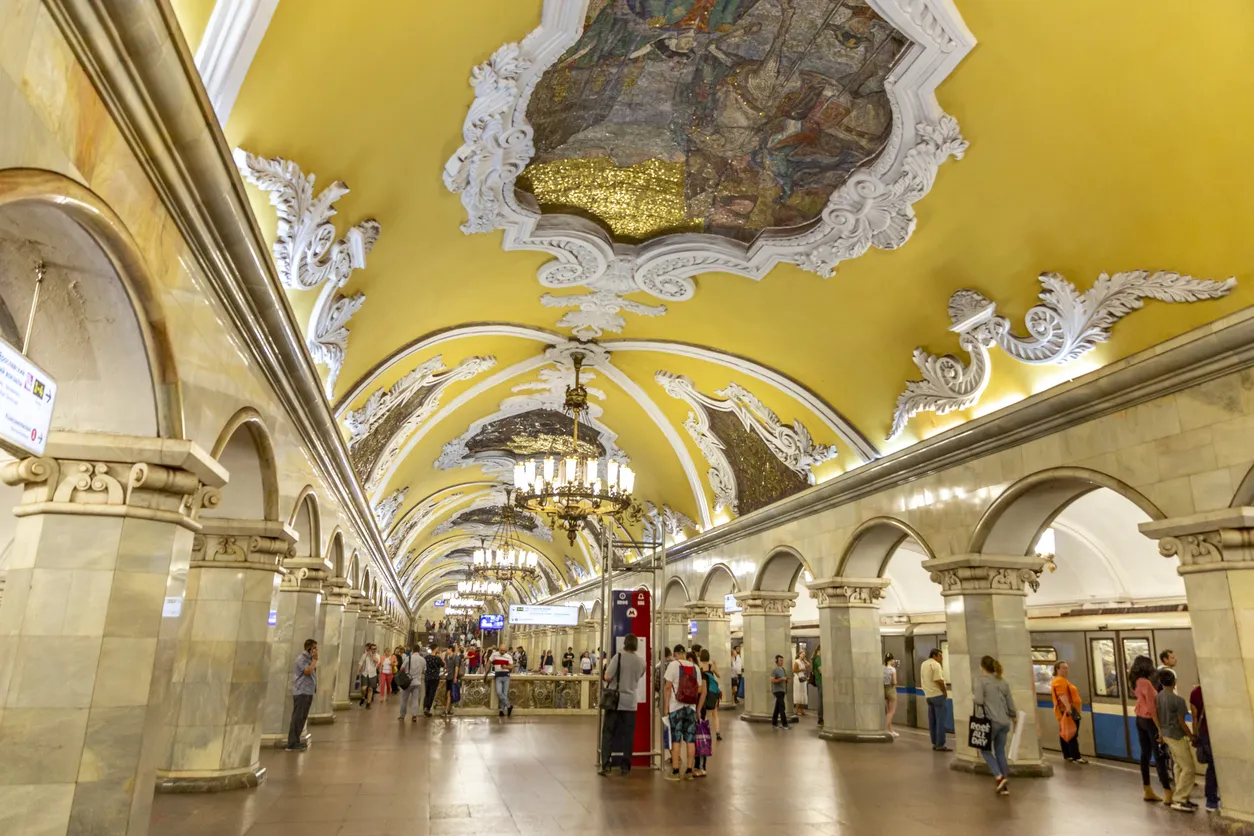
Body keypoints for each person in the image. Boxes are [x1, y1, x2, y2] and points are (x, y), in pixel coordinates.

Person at [599, 634, 647, 777]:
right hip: (631, 703)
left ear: (625, 644)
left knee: (608, 733)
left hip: (615, 701)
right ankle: (625, 766)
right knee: (628, 735)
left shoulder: (617, 657)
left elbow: (607, 676)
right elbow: (639, 676)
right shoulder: (641, 662)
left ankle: (606, 765)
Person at [1129, 655, 1172, 803]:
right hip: (1150, 721)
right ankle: (1168, 792)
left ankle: (1147, 789)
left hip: (1139, 719)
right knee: (1159, 756)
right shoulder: (1146, 683)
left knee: (1145, 755)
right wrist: (1160, 728)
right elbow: (1153, 708)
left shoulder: (1134, 681)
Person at [972, 655, 1016, 796]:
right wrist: (1013, 716)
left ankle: (999, 776)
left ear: (982, 666)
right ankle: (1004, 786)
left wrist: (973, 696)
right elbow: (1010, 702)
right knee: (1000, 752)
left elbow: (978, 700)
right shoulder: (1002, 681)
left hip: (990, 721)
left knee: (984, 750)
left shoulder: (981, 681)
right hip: (1004, 721)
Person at [1157, 670, 1197, 812]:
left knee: (1179, 765)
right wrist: (1192, 736)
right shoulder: (1178, 700)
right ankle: (1179, 799)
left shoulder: (1159, 697)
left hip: (1167, 735)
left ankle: (1182, 796)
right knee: (1189, 767)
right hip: (1177, 736)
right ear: (1174, 682)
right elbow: (1181, 722)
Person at [663, 645, 704, 780]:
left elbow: (668, 687)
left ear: (675, 654)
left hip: (676, 708)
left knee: (676, 739)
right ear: (685, 654)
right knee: (690, 739)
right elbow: (699, 689)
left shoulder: (673, 665)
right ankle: (689, 771)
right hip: (690, 708)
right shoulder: (695, 667)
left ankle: (675, 772)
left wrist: (666, 707)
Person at [1189, 681, 1219, 813]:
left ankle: (1211, 799)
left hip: (1204, 733)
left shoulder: (1195, 693)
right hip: (1217, 732)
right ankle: (1212, 800)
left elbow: (1194, 717)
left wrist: (1195, 735)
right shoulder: (1217, 690)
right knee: (1215, 766)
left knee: (1212, 766)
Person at [1050, 660, 1087, 764]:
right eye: (1064, 668)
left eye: (1067, 668)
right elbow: (1062, 695)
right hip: (1068, 711)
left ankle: (1068, 755)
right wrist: (1068, 709)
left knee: (1065, 732)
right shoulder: (1059, 681)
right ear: (1057, 669)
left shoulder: (1061, 680)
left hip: (1065, 711)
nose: (1066, 670)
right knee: (1072, 733)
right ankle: (1076, 756)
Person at [287, 638, 317, 751]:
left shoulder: (309, 659)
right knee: (297, 717)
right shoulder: (301, 659)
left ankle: (296, 741)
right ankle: (292, 743)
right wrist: (314, 661)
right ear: (309, 648)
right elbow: (308, 672)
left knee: (302, 718)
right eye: (315, 648)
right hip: (301, 692)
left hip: (308, 691)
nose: (316, 651)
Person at [921, 648, 948, 751]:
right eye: (940, 656)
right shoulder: (935, 665)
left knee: (932, 721)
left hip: (928, 696)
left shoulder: (924, 664)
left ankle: (934, 742)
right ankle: (940, 744)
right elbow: (938, 680)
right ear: (934, 656)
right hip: (938, 695)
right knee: (941, 720)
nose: (942, 658)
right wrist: (944, 692)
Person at [397, 646, 425, 723]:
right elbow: (424, 670)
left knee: (404, 699)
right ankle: (414, 716)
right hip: (417, 682)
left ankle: (402, 715)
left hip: (407, 682)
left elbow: (401, 669)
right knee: (415, 700)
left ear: (412, 650)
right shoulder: (422, 659)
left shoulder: (408, 658)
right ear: (419, 651)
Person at [488, 644, 514, 717]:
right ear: (499, 649)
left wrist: (506, 666)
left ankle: (501, 711)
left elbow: (512, 666)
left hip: (506, 676)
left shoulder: (508, 656)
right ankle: (509, 706)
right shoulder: (494, 655)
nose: (502, 652)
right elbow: (489, 662)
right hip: (498, 676)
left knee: (504, 694)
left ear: (505, 650)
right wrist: (486, 672)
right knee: (499, 692)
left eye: (503, 650)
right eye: (501, 650)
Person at [422, 646, 444, 716]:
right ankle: (428, 708)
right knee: (432, 693)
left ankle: (425, 707)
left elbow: (423, 667)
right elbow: (444, 665)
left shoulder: (426, 658)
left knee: (427, 693)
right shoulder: (438, 658)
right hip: (435, 678)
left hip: (427, 677)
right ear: (436, 649)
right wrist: (442, 657)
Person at [357, 643, 380, 709]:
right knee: (363, 688)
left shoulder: (377, 655)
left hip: (373, 674)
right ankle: (363, 697)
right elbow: (360, 663)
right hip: (365, 673)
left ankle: (368, 703)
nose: (374, 650)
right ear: (370, 649)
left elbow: (377, 661)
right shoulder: (364, 655)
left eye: (375, 649)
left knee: (370, 689)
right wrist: (358, 672)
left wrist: (372, 655)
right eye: (373, 649)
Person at [770, 654, 790, 729]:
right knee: (782, 706)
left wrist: (786, 679)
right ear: (776, 661)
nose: (782, 662)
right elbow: (772, 680)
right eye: (780, 660)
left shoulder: (783, 669)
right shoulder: (774, 670)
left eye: (782, 660)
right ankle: (784, 724)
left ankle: (774, 722)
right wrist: (781, 679)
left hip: (782, 690)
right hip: (777, 690)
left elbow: (783, 678)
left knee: (777, 707)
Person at [444, 645, 463, 717]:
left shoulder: (456, 657)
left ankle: (446, 710)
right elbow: (446, 667)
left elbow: (457, 667)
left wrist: (455, 677)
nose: (446, 650)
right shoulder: (447, 657)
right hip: (448, 677)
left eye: (447, 649)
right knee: (449, 694)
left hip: (452, 678)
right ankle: (450, 710)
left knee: (449, 694)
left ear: (450, 649)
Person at [884, 653, 900, 738]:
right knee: (891, 711)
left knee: (888, 710)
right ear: (891, 660)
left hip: (885, 690)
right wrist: (895, 682)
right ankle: (886, 729)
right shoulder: (893, 669)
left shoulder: (883, 669)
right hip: (891, 689)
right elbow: (894, 682)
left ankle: (891, 730)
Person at [793, 648, 810, 718]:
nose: (803, 655)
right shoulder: (796, 661)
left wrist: (804, 659)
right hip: (798, 678)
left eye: (804, 655)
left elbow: (808, 664)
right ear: (799, 654)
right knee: (798, 694)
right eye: (802, 654)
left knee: (803, 693)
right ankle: (796, 710)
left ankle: (802, 710)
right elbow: (794, 670)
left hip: (802, 679)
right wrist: (801, 669)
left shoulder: (802, 662)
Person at [811, 645, 823, 729]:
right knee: (821, 700)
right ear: (820, 650)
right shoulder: (818, 658)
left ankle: (821, 717)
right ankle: (821, 718)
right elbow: (821, 670)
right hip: (821, 681)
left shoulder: (815, 658)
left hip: (819, 681)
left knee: (821, 699)